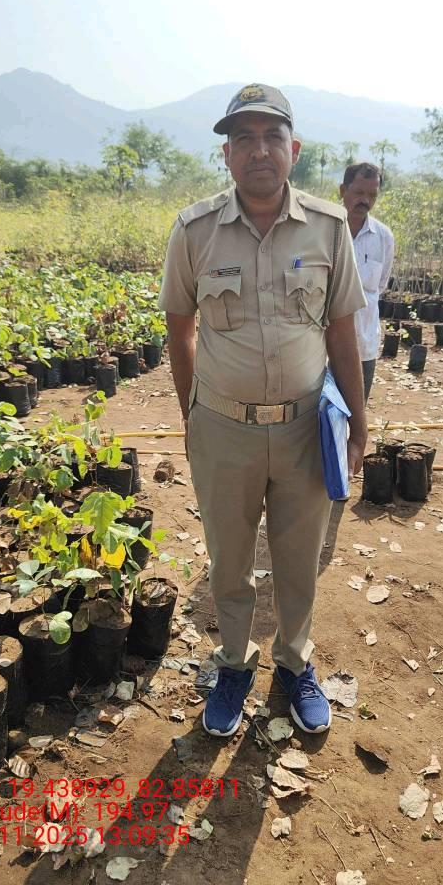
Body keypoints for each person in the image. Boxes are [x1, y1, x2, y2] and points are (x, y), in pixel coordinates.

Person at [158, 84, 366, 738]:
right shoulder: (194, 231)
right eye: (243, 138)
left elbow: (341, 334)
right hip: (223, 428)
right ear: (226, 154)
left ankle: (294, 663)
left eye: (271, 137)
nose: (258, 150)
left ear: (293, 150)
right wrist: (193, 416)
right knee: (229, 559)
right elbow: (180, 328)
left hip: (306, 428)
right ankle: (234, 664)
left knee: (299, 558)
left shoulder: (329, 228)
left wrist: (360, 425)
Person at [339, 162, 395, 403]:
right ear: (343, 190)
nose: (365, 200)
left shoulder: (383, 237)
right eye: (359, 192)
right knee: (320, 417)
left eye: (372, 195)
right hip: (323, 348)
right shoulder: (325, 230)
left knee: (356, 411)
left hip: (364, 344)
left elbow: (380, 286)